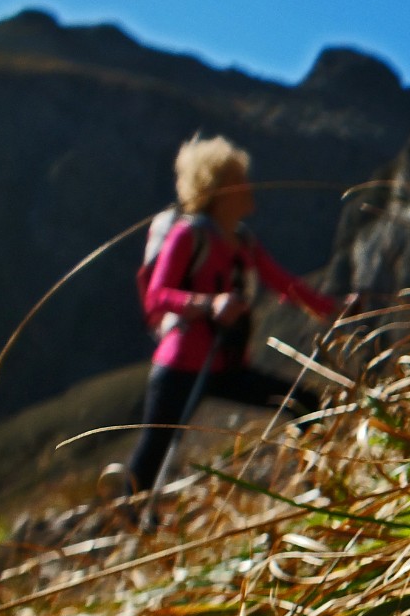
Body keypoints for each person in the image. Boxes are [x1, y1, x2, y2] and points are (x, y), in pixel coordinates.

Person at [104, 135, 343, 506]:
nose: (250, 188)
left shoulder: (243, 241)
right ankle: (130, 518)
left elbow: (283, 283)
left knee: (304, 402)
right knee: (154, 449)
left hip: (225, 364)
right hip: (181, 365)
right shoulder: (188, 235)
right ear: (220, 189)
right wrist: (208, 303)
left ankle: (316, 485)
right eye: (240, 181)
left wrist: (333, 308)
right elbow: (157, 294)